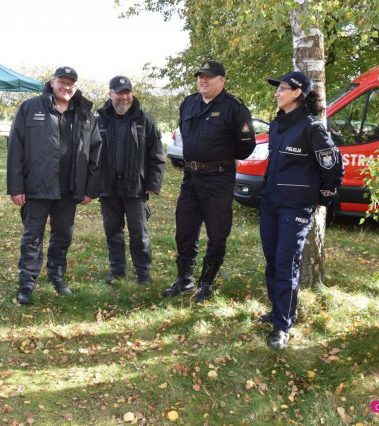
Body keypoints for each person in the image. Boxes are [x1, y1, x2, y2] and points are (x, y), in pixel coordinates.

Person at [260, 71, 343, 350]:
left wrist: (323, 197)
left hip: (295, 207)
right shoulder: (277, 125)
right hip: (270, 203)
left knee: (286, 263)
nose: (277, 93)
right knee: (272, 260)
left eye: (282, 89)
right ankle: (277, 310)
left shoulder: (312, 127)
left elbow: (332, 167)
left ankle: (282, 326)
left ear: (297, 93)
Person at [163, 60, 256, 303]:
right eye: (201, 76)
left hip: (218, 179)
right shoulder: (189, 103)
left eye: (210, 77)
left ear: (222, 81)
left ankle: (206, 284)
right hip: (191, 178)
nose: (203, 80)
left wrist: (219, 156)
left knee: (217, 234)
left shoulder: (234, 108)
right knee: (184, 232)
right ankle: (184, 280)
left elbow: (246, 147)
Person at [7, 66, 102, 305]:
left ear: (75, 87)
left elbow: (96, 152)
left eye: (71, 83)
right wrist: (16, 187)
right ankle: (27, 283)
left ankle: (57, 277)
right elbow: (15, 149)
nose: (66, 87)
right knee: (32, 237)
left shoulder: (85, 114)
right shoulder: (30, 108)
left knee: (62, 236)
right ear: (52, 82)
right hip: (36, 187)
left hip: (69, 190)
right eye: (62, 82)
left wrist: (90, 188)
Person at [96, 76, 165, 286]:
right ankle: (117, 270)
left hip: (136, 187)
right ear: (110, 94)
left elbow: (157, 155)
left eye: (127, 92)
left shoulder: (145, 120)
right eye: (119, 92)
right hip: (108, 187)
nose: (124, 97)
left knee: (139, 233)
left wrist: (153, 184)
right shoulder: (99, 120)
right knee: (113, 232)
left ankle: (143, 273)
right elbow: (89, 155)